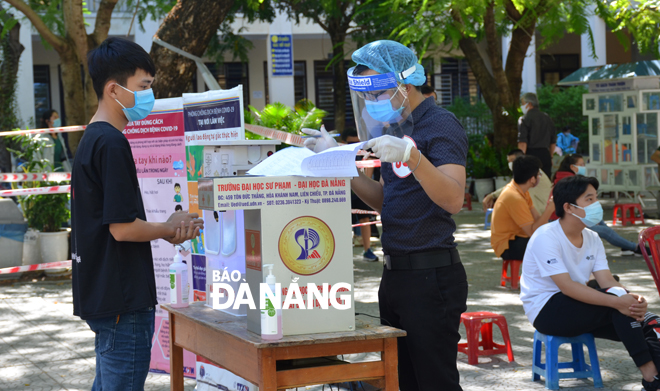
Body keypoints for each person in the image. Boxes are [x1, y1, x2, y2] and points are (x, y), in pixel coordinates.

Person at [305, 40, 468, 391]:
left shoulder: (441, 125)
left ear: (404, 84)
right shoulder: (396, 131)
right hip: (395, 275)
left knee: (435, 382)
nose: (373, 105)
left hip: (432, 275)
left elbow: (453, 198)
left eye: (378, 94)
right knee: (401, 380)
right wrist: (341, 164)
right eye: (367, 98)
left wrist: (414, 158)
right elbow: (388, 202)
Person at [71, 37, 204, 391]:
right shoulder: (112, 143)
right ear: (114, 89)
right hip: (123, 300)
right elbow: (122, 229)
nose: (149, 96)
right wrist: (169, 228)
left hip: (108, 297)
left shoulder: (93, 139)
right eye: (143, 87)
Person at [520, 175, 660, 391]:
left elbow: (607, 280)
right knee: (620, 310)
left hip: (578, 302)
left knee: (649, 322)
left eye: (596, 198)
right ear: (569, 207)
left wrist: (629, 297)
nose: (597, 205)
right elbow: (566, 286)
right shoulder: (546, 236)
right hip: (547, 309)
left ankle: (655, 377)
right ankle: (651, 379)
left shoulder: (593, 238)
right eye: (589, 199)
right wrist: (618, 302)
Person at [550, 154, 645, 256]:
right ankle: (635, 247)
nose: (584, 166)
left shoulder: (564, 179)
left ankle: (626, 245)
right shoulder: (570, 184)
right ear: (572, 167)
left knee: (602, 224)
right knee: (605, 231)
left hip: (571, 218)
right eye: (581, 164)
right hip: (566, 220)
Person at [490, 155, 555, 262]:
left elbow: (537, 218)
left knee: (555, 240)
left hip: (518, 237)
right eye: (539, 175)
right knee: (550, 247)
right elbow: (532, 232)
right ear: (532, 179)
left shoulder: (521, 190)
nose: (540, 177)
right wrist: (550, 209)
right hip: (507, 245)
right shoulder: (514, 197)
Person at [343, 127, 380, 261]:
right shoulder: (344, 154)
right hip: (344, 191)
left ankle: (367, 250)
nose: (352, 145)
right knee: (344, 221)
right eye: (349, 143)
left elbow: (368, 177)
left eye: (355, 142)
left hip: (361, 191)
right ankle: (343, 252)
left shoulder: (367, 155)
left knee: (365, 220)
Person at [482, 149, 552, 214]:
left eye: (512, 160)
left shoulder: (529, 171)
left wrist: (492, 195)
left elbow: (513, 187)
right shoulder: (529, 170)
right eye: (509, 162)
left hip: (541, 208)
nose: (510, 164)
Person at [518, 92, 557, 177]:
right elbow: (553, 141)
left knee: (530, 182)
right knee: (545, 182)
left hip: (530, 154)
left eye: (523, 103)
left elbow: (522, 142)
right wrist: (550, 157)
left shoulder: (524, 119)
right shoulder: (547, 118)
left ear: (529, 104)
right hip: (545, 154)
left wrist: (521, 159)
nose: (521, 106)